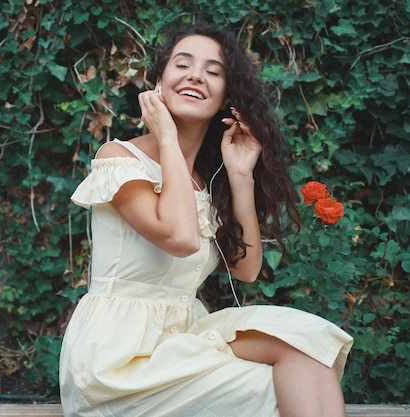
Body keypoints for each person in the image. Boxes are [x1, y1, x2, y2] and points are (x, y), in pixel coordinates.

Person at [59, 23, 353, 417]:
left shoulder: (207, 180)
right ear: (158, 82)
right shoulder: (121, 158)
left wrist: (240, 175)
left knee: (308, 351)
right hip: (117, 361)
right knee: (283, 392)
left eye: (213, 71)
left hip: (181, 342)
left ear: (224, 98)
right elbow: (180, 238)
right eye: (183, 64)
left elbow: (247, 269)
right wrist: (165, 136)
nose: (196, 74)